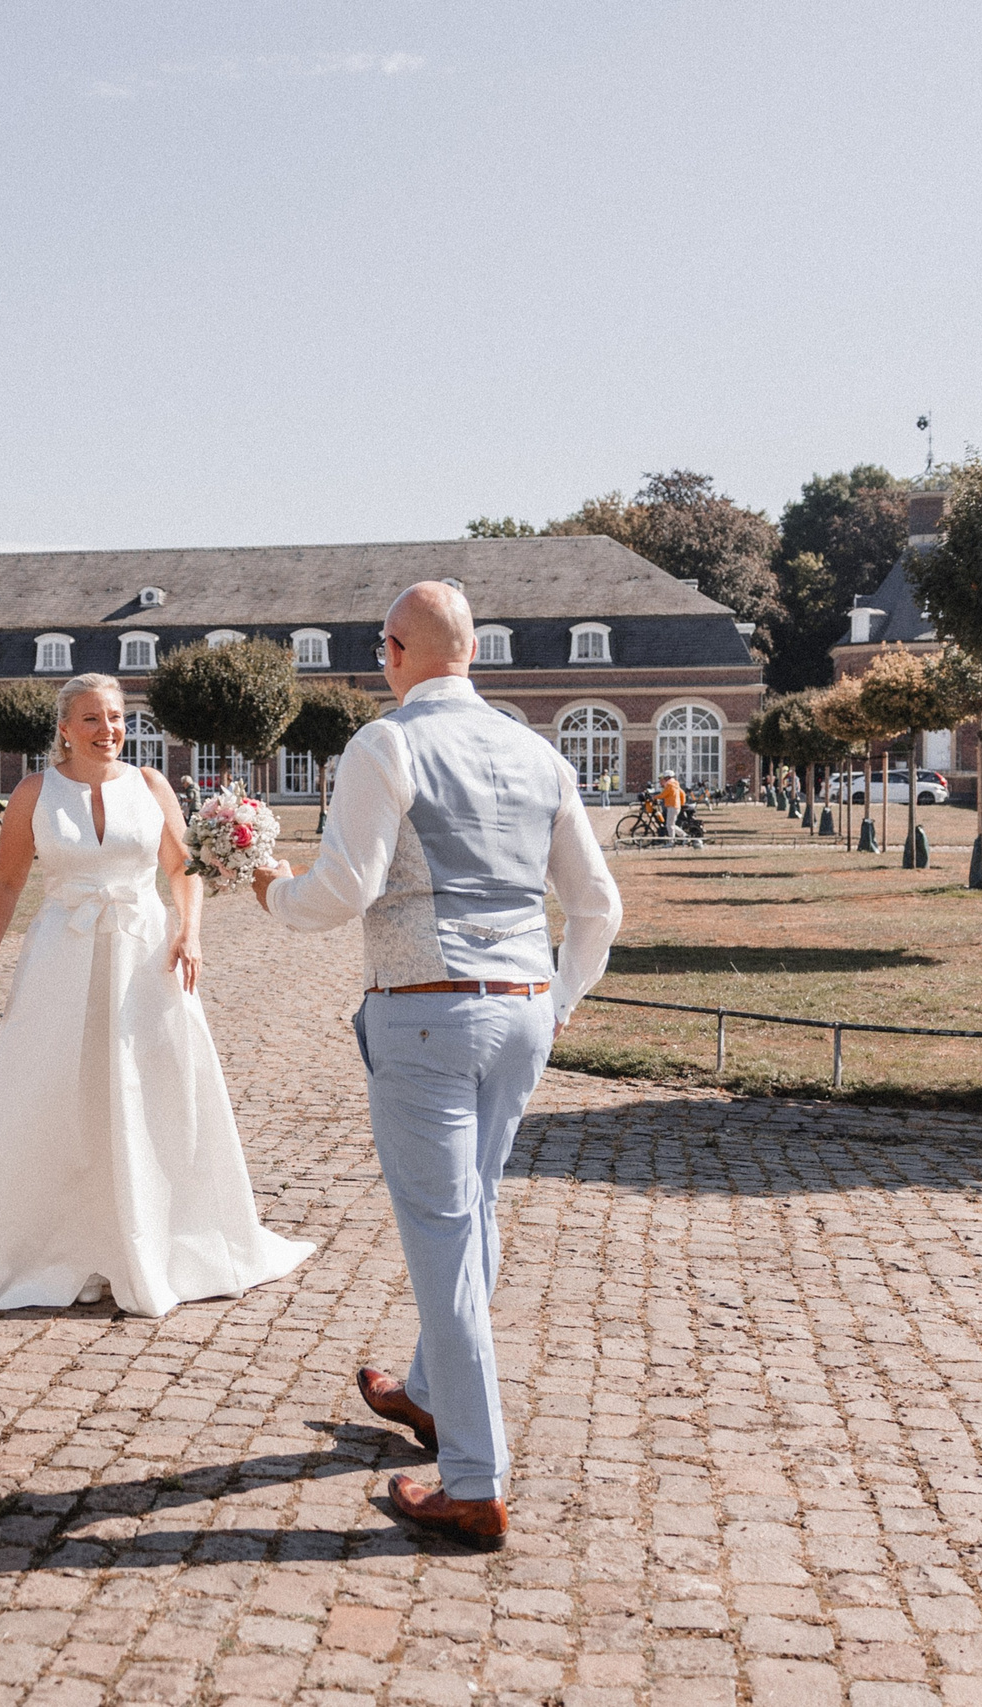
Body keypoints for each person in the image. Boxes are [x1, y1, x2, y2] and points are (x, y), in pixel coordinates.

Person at [254, 581, 620, 1550]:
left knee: (444, 1238)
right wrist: (557, 1000)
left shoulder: (387, 742)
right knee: (476, 1211)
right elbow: (597, 908)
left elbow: (346, 886)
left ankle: (472, 1479)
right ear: (471, 652)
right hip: (520, 1011)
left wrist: (269, 893)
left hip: (424, 1013)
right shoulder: (537, 752)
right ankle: (423, 1394)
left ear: (392, 650)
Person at [0, 672, 313, 1319]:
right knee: (54, 1091)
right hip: (61, 958)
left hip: (144, 955)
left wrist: (189, 932)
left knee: (151, 1087)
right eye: (92, 719)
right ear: (64, 727)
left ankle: (156, 1234)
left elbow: (182, 869)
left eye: (115, 718)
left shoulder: (149, 785)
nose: (108, 730)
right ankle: (51, 1241)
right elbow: (5, 881)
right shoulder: (33, 792)